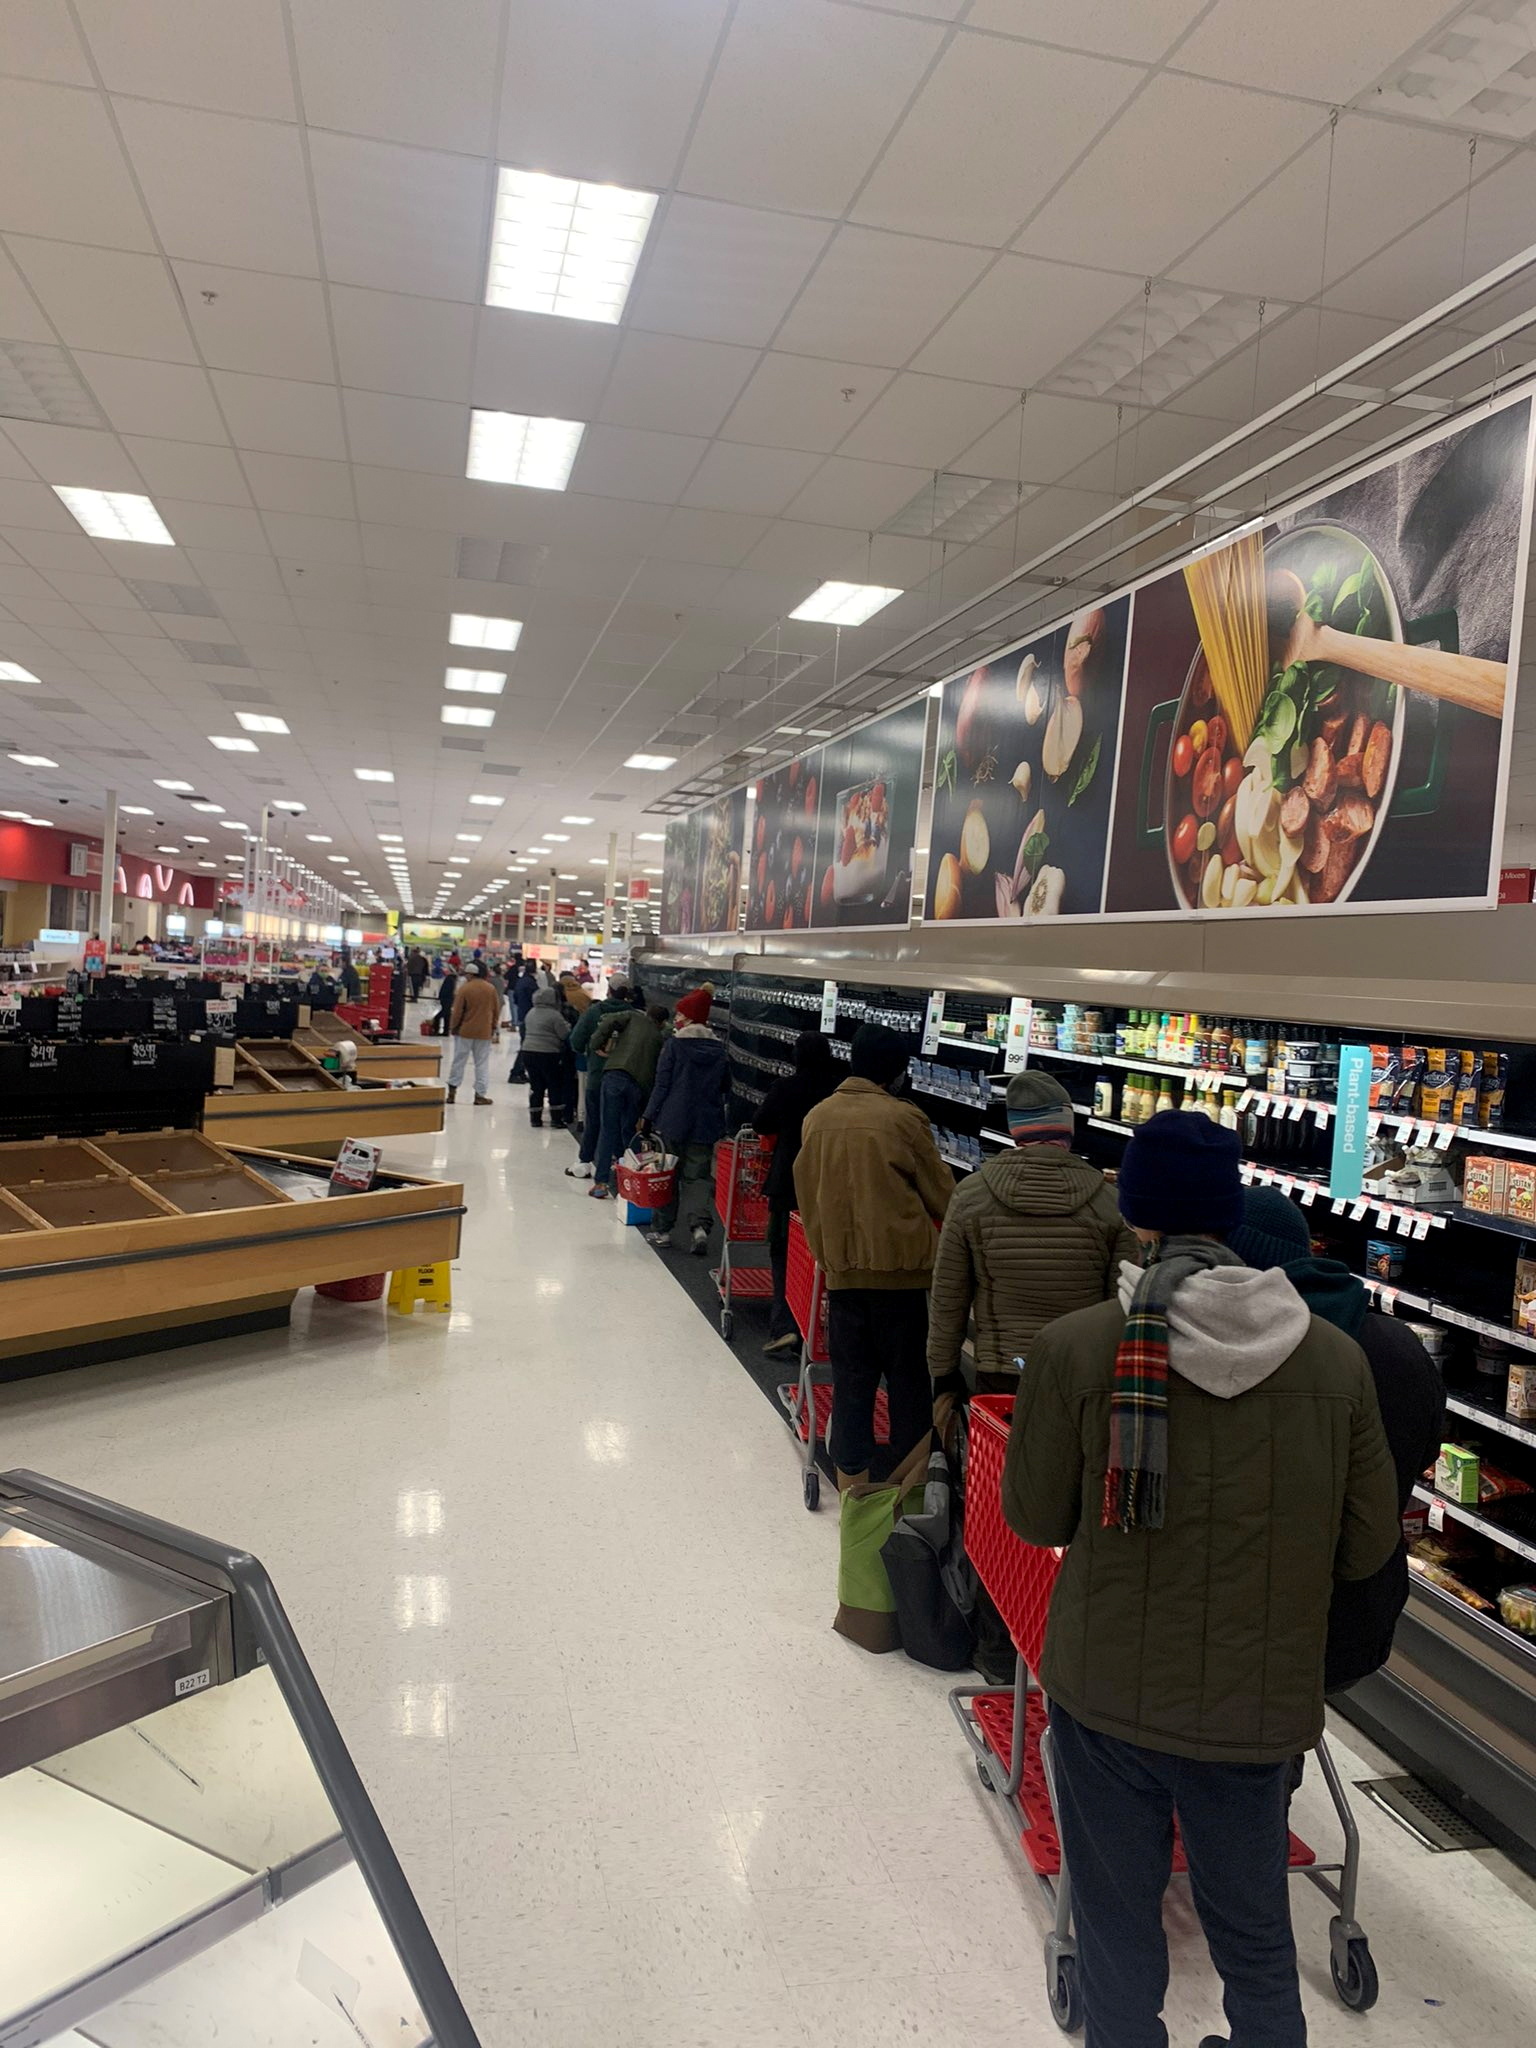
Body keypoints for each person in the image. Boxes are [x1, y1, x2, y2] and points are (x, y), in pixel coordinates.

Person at [1002, 1110, 1399, 2048]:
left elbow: (1034, 1517)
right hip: (1255, 1707)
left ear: (1134, 1209)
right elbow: (1368, 1542)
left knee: (1114, 1922)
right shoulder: (1338, 1363)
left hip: (1108, 1699)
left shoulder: (1080, 1346)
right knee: (1257, 1934)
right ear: (1232, 1208)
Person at [1229, 1185, 1445, 1696]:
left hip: (1257, 1622)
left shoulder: (1240, 1352)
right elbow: (1426, 1454)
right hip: (1361, 1615)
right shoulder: (1397, 1345)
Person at [793, 1023, 954, 1480]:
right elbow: (943, 1196)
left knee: (852, 1387)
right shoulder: (904, 1119)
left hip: (842, 1280)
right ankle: (910, 1495)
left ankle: (853, 1493)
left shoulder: (817, 1117)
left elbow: (806, 1193)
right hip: (902, 1282)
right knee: (908, 1389)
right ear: (898, 1071)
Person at [928, 1071, 1139, 1403]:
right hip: (1080, 1375)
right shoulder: (1109, 1203)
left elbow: (949, 1293)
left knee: (1002, 1453)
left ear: (1016, 1131)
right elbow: (1122, 1304)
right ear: (1067, 1128)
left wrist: (942, 1372)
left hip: (1001, 1372)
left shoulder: (971, 1195)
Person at [751, 1032, 840, 1356]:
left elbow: (761, 1124)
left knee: (784, 1256)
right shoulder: (838, 1092)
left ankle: (786, 1326)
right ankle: (824, 1329)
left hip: (788, 1184)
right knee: (827, 1259)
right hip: (829, 1187)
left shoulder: (786, 1088)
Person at [641, 986, 729, 1253]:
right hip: (704, 1124)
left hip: (672, 1121)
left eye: (680, 1014)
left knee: (666, 1175)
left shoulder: (674, 1046)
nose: (676, 1018)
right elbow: (725, 1088)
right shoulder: (719, 1050)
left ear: (688, 1019)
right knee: (698, 1178)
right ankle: (699, 1227)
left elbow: (662, 1086)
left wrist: (648, 1116)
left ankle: (663, 1231)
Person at [586, 1002, 669, 1199]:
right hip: (638, 1086)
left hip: (614, 1077)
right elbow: (654, 1074)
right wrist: (645, 1112)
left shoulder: (633, 1016)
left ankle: (601, 1182)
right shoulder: (660, 1038)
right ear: (662, 1022)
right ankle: (630, 1179)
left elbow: (609, 1019)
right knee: (629, 1132)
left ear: (648, 1013)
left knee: (608, 1129)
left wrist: (596, 1043)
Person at [565, 975, 632, 1179]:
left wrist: (590, 1051)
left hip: (598, 1076)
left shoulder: (595, 1012)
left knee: (594, 1121)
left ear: (609, 990)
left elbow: (575, 1041)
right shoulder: (635, 1015)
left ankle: (585, 1161)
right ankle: (622, 1164)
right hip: (626, 1077)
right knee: (621, 1122)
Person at [445, 962, 498, 1105]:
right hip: (484, 1032)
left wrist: (453, 1027)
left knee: (459, 1061)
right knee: (481, 1064)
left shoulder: (465, 989)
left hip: (465, 1031)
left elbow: (457, 1012)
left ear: (470, 974)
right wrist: (493, 1028)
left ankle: (452, 1092)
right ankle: (480, 1095)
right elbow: (495, 1011)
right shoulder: (490, 989)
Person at [521, 984, 572, 1128]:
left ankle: (535, 1118)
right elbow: (564, 1034)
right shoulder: (554, 1015)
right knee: (553, 1085)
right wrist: (567, 1026)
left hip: (528, 1051)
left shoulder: (531, 1012)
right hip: (548, 1053)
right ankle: (556, 1119)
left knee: (536, 1086)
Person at [434, 965, 458, 1038]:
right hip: (449, 1000)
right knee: (447, 1016)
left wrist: (441, 997)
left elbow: (445, 990)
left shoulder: (449, 979)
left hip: (446, 1000)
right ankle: (446, 1031)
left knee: (438, 1016)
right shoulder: (453, 979)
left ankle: (437, 1030)